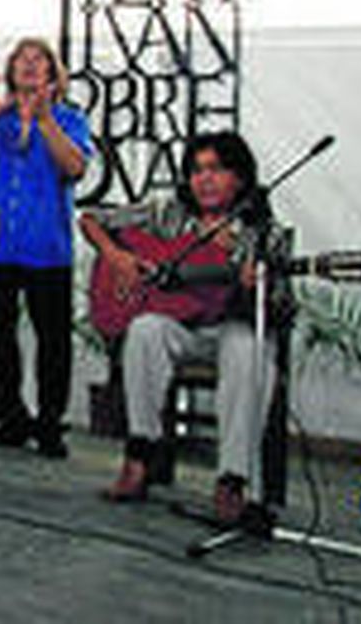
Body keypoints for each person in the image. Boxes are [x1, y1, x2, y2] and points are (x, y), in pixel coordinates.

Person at [82, 131, 283, 523]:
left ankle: (232, 478)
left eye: (217, 169)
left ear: (240, 178)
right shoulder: (167, 213)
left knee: (249, 350)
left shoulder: (261, 230)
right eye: (196, 170)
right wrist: (117, 257)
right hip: (182, 326)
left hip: (231, 328)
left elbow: (279, 305)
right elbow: (91, 220)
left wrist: (259, 285)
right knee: (144, 330)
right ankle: (141, 454)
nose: (204, 179)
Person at [0, 37, 90, 458]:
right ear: (11, 71)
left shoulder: (69, 118)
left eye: (39, 61)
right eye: (22, 60)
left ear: (52, 73)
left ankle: (50, 424)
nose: (30, 66)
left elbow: (76, 167)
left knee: (53, 338)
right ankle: (10, 418)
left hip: (47, 245)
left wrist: (46, 121)